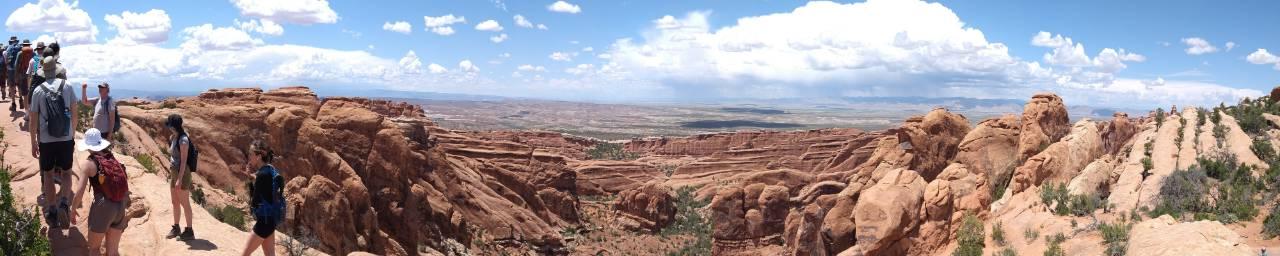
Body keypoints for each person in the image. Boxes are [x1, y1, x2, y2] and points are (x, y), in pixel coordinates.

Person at [28, 53, 78, 229]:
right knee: (66, 172)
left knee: (48, 175)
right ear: (56, 71)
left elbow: (33, 120)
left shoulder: (38, 90)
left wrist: (34, 142)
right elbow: (74, 113)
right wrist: (71, 134)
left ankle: (51, 210)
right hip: (66, 138)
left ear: (43, 72)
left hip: (47, 141)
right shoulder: (68, 86)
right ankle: (64, 202)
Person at [69, 128, 131, 256]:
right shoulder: (112, 158)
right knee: (113, 251)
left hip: (104, 207)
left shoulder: (89, 163)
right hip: (120, 205)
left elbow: (80, 191)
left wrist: (73, 209)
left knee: (94, 249)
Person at [242, 139, 284, 256]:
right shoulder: (270, 169)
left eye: (251, 154)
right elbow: (264, 184)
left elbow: (254, 201)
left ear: (259, 156)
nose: (249, 157)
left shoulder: (261, 175)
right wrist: (252, 177)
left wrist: (250, 182)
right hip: (271, 220)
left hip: (263, 223)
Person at [165, 114, 195, 241]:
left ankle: (189, 231)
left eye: (169, 125)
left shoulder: (183, 140)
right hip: (174, 172)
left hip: (181, 173)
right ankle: (176, 227)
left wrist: (179, 179)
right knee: (175, 202)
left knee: (185, 203)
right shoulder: (175, 137)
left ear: (173, 126)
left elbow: (183, 162)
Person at [12, 39, 33, 112]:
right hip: (32, 75)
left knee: (25, 94)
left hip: (23, 75)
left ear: (23, 45)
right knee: (32, 93)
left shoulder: (20, 53)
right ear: (29, 45)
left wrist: (16, 76)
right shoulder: (33, 53)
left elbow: (16, 65)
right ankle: (33, 110)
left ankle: (27, 113)